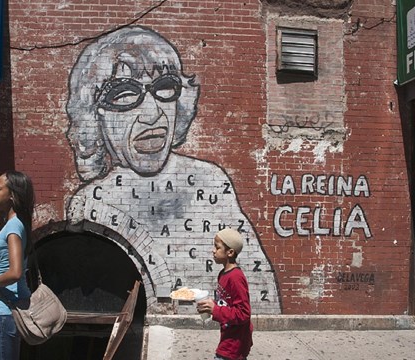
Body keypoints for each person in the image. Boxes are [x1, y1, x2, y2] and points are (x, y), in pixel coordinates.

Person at [65, 25, 281, 314]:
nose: (153, 114)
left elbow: (261, 296)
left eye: (165, 88)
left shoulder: (211, 183)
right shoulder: (91, 202)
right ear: (94, 114)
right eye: (125, 95)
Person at [0, 171, 34, 360]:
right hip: (5, 308)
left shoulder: (13, 227)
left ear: (11, 195)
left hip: (9, 311)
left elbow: (16, 272)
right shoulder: (14, 224)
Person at [197, 228, 253, 360]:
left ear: (230, 252)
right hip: (228, 338)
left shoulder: (236, 277)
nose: (213, 250)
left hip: (234, 344)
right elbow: (227, 303)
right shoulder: (222, 275)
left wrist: (215, 310)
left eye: (217, 247)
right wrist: (211, 305)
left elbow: (244, 313)